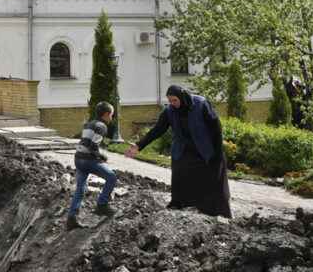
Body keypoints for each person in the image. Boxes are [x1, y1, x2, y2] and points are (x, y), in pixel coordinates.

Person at [126, 85, 231, 218]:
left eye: (174, 100)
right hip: (184, 149)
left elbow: (216, 128)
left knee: (213, 180)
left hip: (206, 149)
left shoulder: (201, 104)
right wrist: (139, 146)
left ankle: (217, 213)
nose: (172, 104)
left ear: (182, 97)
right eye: (170, 101)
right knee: (180, 172)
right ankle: (179, 205)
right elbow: (157, 130)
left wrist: (217, 151)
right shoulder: (169, 111)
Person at [67, 102, 117, 231]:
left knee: (80, 188)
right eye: (112, 115)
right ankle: (102, 205)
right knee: (111, 177)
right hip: (88, 160)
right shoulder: (102, 126)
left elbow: (85, 142)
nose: (112, 117)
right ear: (106, 115)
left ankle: (71, 219)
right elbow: (93, 146)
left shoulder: (89, 124)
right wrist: (102, 157)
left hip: (78, 158)